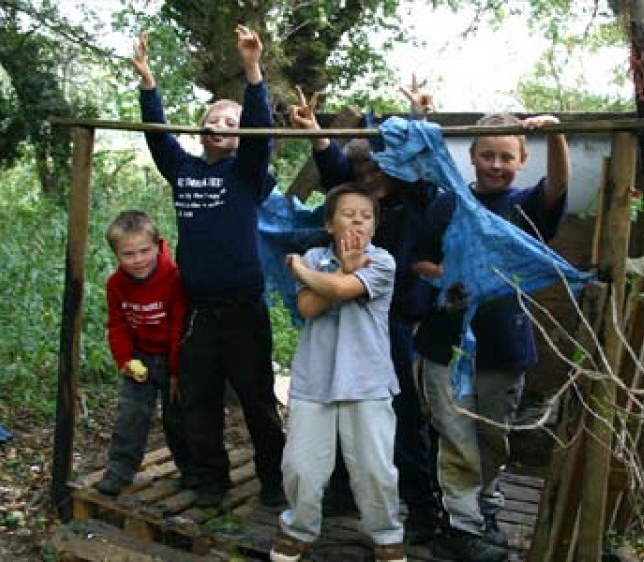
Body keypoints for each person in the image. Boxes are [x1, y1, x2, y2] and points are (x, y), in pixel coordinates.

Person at [129, 27, 286, 509]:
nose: (222, 120)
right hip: (197, 312)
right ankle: (211, 479)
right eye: (214, 116)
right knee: (198, 401)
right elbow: (158, 140)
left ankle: (274, 481)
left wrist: (252, 72)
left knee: (258, 402)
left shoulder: (246, 172)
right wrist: (149, 86)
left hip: (244, 311)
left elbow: (260, 130)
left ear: (243, 134)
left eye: (232, 117)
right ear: (202, 130)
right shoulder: (185, 170)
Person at [288, 80, 442, 541]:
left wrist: (419, 119)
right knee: (333, 409)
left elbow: (422, 159)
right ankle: (335, 494)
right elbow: (335, 167)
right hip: (338, 323)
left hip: (390, 323)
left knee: (401, 417)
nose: (371, 176)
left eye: (379, 167)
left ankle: (419, 505)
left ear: (394, 168)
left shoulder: (409, 198)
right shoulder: (352, 205)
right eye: (362, 170)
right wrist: (316, 131)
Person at [412, 113, 570, 562]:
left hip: (503, 347)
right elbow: (420, 260)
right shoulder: (448, 204)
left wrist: (556, 133)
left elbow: (558, 185)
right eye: (487, 154)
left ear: (521, 160)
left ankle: (484, 511)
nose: (495, 164)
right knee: (456, 437)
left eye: (506, 156)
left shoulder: (526, 206)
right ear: (473, 156)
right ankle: (461, 526)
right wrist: (452, 277)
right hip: (447, 345)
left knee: (492, 438)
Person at [270, 183, 406, 562]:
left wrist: (300, 268)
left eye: (366, 217)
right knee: (301, 466)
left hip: (368, 381)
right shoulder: (315, 257)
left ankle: (386, 537)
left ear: (375, 227)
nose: (358, 223)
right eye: (349, 215)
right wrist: (334, 271)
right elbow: (310, 307)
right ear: (329, 223)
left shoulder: (383, 262)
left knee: (375, 470)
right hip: (314, 379)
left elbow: (345, 289)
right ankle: (297, 530)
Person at [96, 210, 189, 496]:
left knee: (179, 418)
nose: (137, 260)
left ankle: (193, 471)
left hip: (173, 356)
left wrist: (176, 372)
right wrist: (125, 360)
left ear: (157, 245)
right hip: (140, 357)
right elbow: (117, 324)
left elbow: (179, 327)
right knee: (131, 415)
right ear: (116, 255)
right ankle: (119, 472)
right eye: (128, 254)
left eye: (144, 251)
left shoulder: (173, 277)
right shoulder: (116, 284)